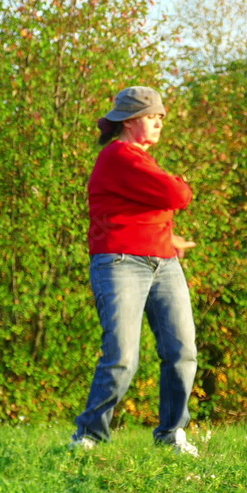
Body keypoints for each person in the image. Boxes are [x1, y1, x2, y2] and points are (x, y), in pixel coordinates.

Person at [70, 86, 199, 456]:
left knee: (182, 351)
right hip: (121, 263)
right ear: (129, 121)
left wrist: (165, 233)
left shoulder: (142, 161)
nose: (159, 123)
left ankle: (172, 433)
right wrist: (176, 189)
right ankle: (89, 435)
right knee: (123, 356)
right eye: (151, 116)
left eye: (160, 117)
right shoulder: (119, 156)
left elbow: (146, 204)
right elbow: (178, 196)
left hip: (164, 262)